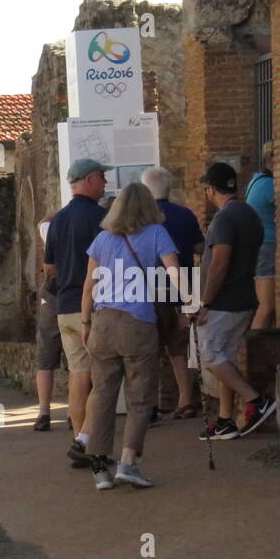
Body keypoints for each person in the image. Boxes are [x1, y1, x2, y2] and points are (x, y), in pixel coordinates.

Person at [79, 181, 182, 490]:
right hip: (138, 323)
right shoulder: (157, 234)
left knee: (102, 394)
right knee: (139, 398)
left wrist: (85, 322)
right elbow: (175, 272)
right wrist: (191, 304)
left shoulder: (101, 239)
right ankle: (127, 462)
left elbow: (88, 286)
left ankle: (99, 467)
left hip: (103, 323)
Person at [193, 162, 276, 440]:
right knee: (225, 357)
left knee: (210, 355)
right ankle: (226, 419)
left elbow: (220, 262)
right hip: (244, 297)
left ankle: (255, 400)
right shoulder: (249, 214)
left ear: (210, 190)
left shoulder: (224, 219)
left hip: (224, 301)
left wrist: (205, 302)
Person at [44, 158, 111, 467]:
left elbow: (49, 267)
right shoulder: (101, 217)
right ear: (89, 180)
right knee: (103, 379)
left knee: (78, 376)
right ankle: (87, 440)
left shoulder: (57, 220)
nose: (106, 184)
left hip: (65, 307)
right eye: (102, 178)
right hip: (93, 306)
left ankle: (80, 441)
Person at [142, 165, 205, 419]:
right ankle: (186, 399)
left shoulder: (144, 220)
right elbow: (200, 246)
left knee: (150, 351)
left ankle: (151, 406)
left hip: (150, 293)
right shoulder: (186, 214)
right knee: (179, 350)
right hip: (182, 292)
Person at [245, 142, 277, 330]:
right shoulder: (269, 185)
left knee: (264, 306)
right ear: (272, 159)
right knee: (266, 307)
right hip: (267, 246)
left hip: (260, 246)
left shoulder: (255, 181)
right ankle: (253, 351)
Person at [34, 216, 61, 431]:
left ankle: (44, 411)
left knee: (45, 358)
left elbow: (41, 222)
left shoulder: (51, 229)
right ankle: (77, 413)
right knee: (78, 363)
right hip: (74, 298)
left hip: (51, 296)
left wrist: (58, 212)